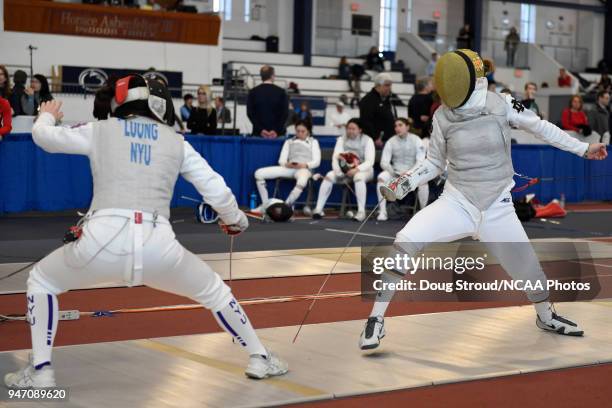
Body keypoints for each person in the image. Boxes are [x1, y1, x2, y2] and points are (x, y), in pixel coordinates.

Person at [3, 75, 288, 389]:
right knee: (215, 292)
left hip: (100, 243)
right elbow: (217, 192)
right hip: (160, 248)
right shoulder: (177, 141)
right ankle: (260, 358)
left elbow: (44, 137)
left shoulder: (99, 130)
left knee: (42, 280)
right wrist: (237, 220)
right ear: (160, 104)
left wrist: (47, 114)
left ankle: (41, 371)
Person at [358, 49, 608, 350]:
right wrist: (407, 180)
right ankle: (376, 319)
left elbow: (540, 127)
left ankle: (546, 316)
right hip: (457, 201)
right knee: (406, 238)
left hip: (497, 207)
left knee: (528, 270)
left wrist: (582, 148)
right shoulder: (442, 116)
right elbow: (435, 162)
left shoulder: (501, 103)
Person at [312, 118, 375, 222]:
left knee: (358, 178)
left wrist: (356, 170)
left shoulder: (368, 140)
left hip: (364, 171)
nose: (350, 131)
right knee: (329, 175)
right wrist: (339, 172)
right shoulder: (342, 139)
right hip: (346, 171)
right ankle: (318, 209)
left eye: (353, 129)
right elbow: (336, 157)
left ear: (360, 130)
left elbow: (370, 161)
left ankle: (361, 211)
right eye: (348, 128)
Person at [253, 120, 321, 210]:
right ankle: (265, 206)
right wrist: (287, 164)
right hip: (289, 168)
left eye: (303, 131)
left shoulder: (313, 142)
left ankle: (286, 206)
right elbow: (281, 160)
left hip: (304, 169)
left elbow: (317, 161)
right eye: (298, 131)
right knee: (258, 173)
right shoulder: (289, 141)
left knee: (302, 180)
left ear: (308, 131)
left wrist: (305, 165)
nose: (300, 133)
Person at [376, 118, 428, 221]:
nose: (397, 128)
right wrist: (394, 172)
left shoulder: (417, 140)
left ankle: (423, 213)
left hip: (412, 175)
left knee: (424, 181)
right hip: (395, 173)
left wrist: (409, 173)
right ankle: (382, 212)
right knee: (381, 177)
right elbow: (384, 162)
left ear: (407, 127)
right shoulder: (390, 142)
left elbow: (420, 161)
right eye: (395, 126)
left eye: (400, 125)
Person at [247, 65, 289, 138]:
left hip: (258, 134)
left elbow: (250, 113)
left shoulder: (253, 92)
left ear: (261, 76)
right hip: (277, 135)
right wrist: (276, 130)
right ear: (272, 76)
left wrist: (261, 130)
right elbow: (285, 114)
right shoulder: (281, 92)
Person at [359, 73, 396, 147]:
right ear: (378, 86)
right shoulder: (368, 100)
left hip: (390, 140)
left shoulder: (387, 100)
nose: (389, 88)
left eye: (390, 85)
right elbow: (366, 121)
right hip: (376, 142)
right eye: (386, 85)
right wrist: (375, 138)